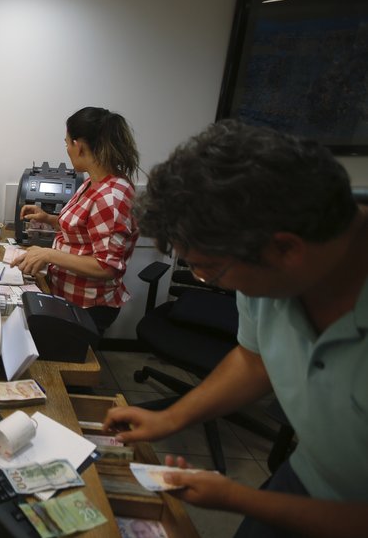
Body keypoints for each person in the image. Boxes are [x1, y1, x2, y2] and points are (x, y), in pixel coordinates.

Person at [103, 120, 368, 537]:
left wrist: (233, 497)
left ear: (286, 249)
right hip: (308, 473)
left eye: (211, 271)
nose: (210, 281)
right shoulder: (270, 257)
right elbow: (254, 357)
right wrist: (170, 418)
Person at [11, 107, 140, 332]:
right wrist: (48, 218)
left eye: (67, 143)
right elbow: (85, 230)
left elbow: (107, 267)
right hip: (66, 294)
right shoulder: (93, 182)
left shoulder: (110, 197)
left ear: (78, 145)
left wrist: (49, 254)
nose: (67, 149)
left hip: (87, 306)